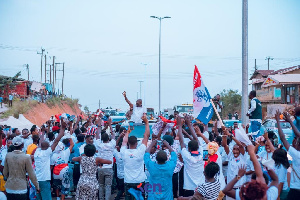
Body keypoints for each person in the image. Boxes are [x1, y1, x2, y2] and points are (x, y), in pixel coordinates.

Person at [34, 119, 66, 200]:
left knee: (39, 197)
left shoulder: (37, 152)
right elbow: (56, 140)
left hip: (36, 179)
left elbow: (41, 141)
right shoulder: (47, 153)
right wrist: (62, 129)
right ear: (48, 147)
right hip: (44, 180)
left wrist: (44, 132)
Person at [121, 114, 150, 200]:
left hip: (128, 181)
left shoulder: (124, 152)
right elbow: (146, 136)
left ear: (128, 143)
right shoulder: (140, 151)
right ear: (136, 143)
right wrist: (147, 123)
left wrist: (127, 133)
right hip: (140, 181)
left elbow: (124, 142)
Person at [177, 115, 204, 197]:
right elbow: (196, 139)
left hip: (189, 189)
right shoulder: (201, 154)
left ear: (188, 148)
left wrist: (179, 125)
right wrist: (189, 124)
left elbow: (181, 141)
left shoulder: (188, 157)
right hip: (200, 188)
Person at [276, 110, 300, 199]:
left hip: (295, 192)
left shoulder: (296, 155)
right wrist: (290, 121)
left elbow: (282, 138)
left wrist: (278, 121)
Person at [96, 118, 116, 200]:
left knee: (101, 185)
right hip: (109, 168)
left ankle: (101, 198)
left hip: (100, 169)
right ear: (108, 139)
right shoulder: (112, 145)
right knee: (108, 186)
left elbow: (97, 135)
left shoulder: (99, 145)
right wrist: (110, 125)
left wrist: (99, 126)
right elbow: (114, 135)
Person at [50, 132, 74, 200]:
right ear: (62, 146)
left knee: (57, 185)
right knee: (65, 185)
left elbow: (51, 167)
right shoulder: (66, 152)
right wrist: (69, 137)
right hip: (64, 171)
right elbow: (72, 144)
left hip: (56, 172)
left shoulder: (53, 155)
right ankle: (62, 198)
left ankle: (57, 197)